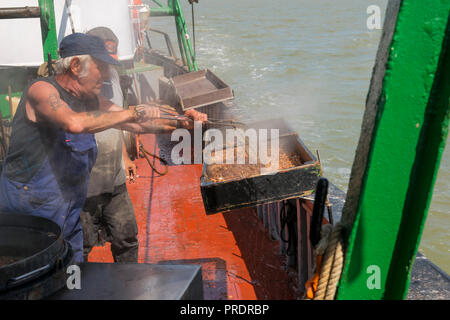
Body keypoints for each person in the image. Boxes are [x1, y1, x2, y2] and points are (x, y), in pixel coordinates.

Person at [0, 33, 206, 262]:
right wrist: (135, 110)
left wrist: (182, 121)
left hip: (67, 206)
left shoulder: (91, 99)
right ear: (76, 66)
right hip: (30, 207)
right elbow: (74, 123)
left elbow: (135, 123)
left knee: (72, 267)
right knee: (32, 271)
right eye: (101, 66)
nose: (107, 75)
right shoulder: (42, 90)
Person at [80, 26, 138, 262]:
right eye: (102, 62)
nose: (107, 69)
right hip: (84, 186)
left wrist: (125, 157)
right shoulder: (73, 89)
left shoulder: (113, 79)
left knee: (126, 238)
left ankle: (130, 287)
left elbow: (118, 121)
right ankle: (74, 291)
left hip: (114, 180)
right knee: (80, 245)